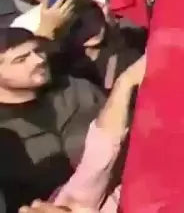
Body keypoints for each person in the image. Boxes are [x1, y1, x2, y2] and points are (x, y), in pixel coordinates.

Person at [0, 27, 105, 208]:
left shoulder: (79, 91)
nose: (39, 60)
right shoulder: (5, 133)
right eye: (21, 59)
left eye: (38, 51)